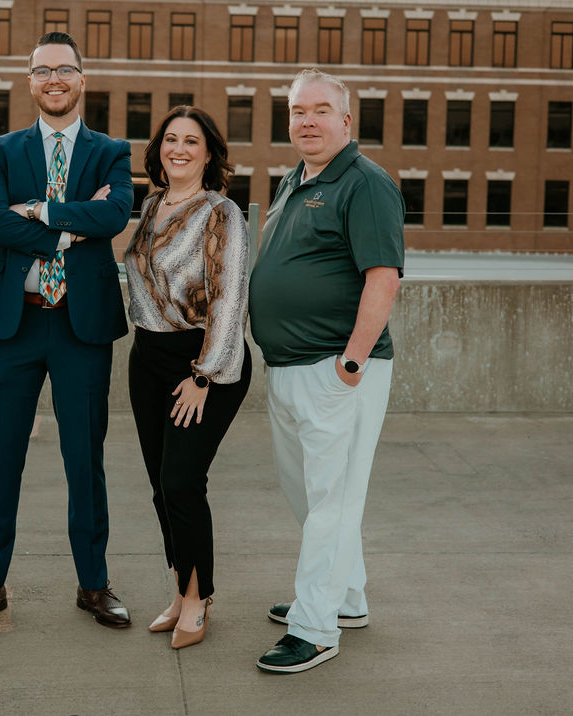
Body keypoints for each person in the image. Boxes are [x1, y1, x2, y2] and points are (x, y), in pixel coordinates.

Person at [0, 31, 133, 633]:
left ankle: (94, 584)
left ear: (83, 79)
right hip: (14, 325)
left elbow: (114, 215)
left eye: (65, 70)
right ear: (30, 81)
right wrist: (65, 232)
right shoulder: (2, 148)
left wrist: (37, 212)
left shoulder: (111, 151)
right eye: (41, 71)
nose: (53, 80)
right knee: (0, 460)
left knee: (86, 461)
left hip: (82, 329)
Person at [249, 69, 404, 673]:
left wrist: (350, 364)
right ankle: (347, 597)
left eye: (320, 110)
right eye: (296, 111)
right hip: (290, 368)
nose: (306, 121)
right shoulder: (296, 178)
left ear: (346, 120)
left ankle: (315, 627)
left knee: (332, 502)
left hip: (336, 371)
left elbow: (382, 278)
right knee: (312, 497)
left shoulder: (365, 183)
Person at [124, 106, 252, 650]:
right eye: (170, 139)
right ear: (158, 151)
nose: (179, 148)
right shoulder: (152, 206)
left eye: (191, 141)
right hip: (146, 357)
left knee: (181, 481)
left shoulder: (222, 213)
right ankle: (182, 589)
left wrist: (204, 374)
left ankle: (200, 599)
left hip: (201, 362)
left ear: (208, 152)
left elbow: (229, 299)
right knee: (160, 486)